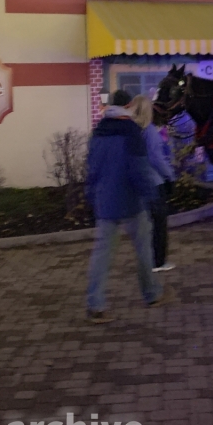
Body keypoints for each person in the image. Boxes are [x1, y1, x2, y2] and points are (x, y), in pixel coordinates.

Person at [84, 89, 171, 324]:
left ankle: (95, 304)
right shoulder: (132, 132)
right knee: (143, 250)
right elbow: (139, 170)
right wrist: (152, 195)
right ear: (130, 105)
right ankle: (151, 294)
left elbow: (91, 169)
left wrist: (91, 195)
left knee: (102, 254)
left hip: (105, 201)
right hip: (132, 202)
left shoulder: (98, 132)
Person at [129, 94, 176, 272]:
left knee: (144, 225)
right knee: (159, 224)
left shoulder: (131, 131)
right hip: (154, 183)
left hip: (137, 184)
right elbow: (157, 159)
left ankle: (145, 260)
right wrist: (170, 177)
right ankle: (158, 262)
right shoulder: (149, 132)